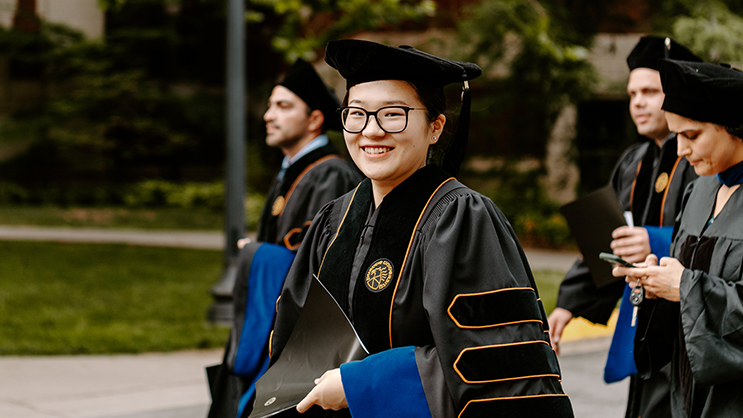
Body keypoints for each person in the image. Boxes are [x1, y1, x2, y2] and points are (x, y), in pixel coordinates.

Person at [264, 39, 574, 418]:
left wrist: (363, 385)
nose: (371, 131)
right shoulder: (334, 220)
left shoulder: (462, 220)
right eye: (357, 114)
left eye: (393, 114)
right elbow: (290, 344)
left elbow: (498, 369)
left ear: (436, 127)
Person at [547, 36, 700, 417]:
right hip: (643, 320)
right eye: (632, 93)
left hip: (687, 325)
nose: (638, 102)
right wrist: (568, 303)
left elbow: (713, 240)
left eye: (650, 91)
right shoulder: (633, 162)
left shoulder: (701, 160)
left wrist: (652, 240)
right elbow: (609, 240)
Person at [207, 58, 362, 418]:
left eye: (283, 106)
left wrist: (256, 254)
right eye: (269, 105)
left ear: (314, 119)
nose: (268, 115)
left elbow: (320, 265)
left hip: (301, 341)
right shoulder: (292, 170)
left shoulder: (330, 175)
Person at [614, 59, 743, 418]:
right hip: (684, 392)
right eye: (676, 136)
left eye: (691, 136)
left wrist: (684, 286)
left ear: (734, 126)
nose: (681, 151)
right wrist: (657, 281)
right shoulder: (700, 190)